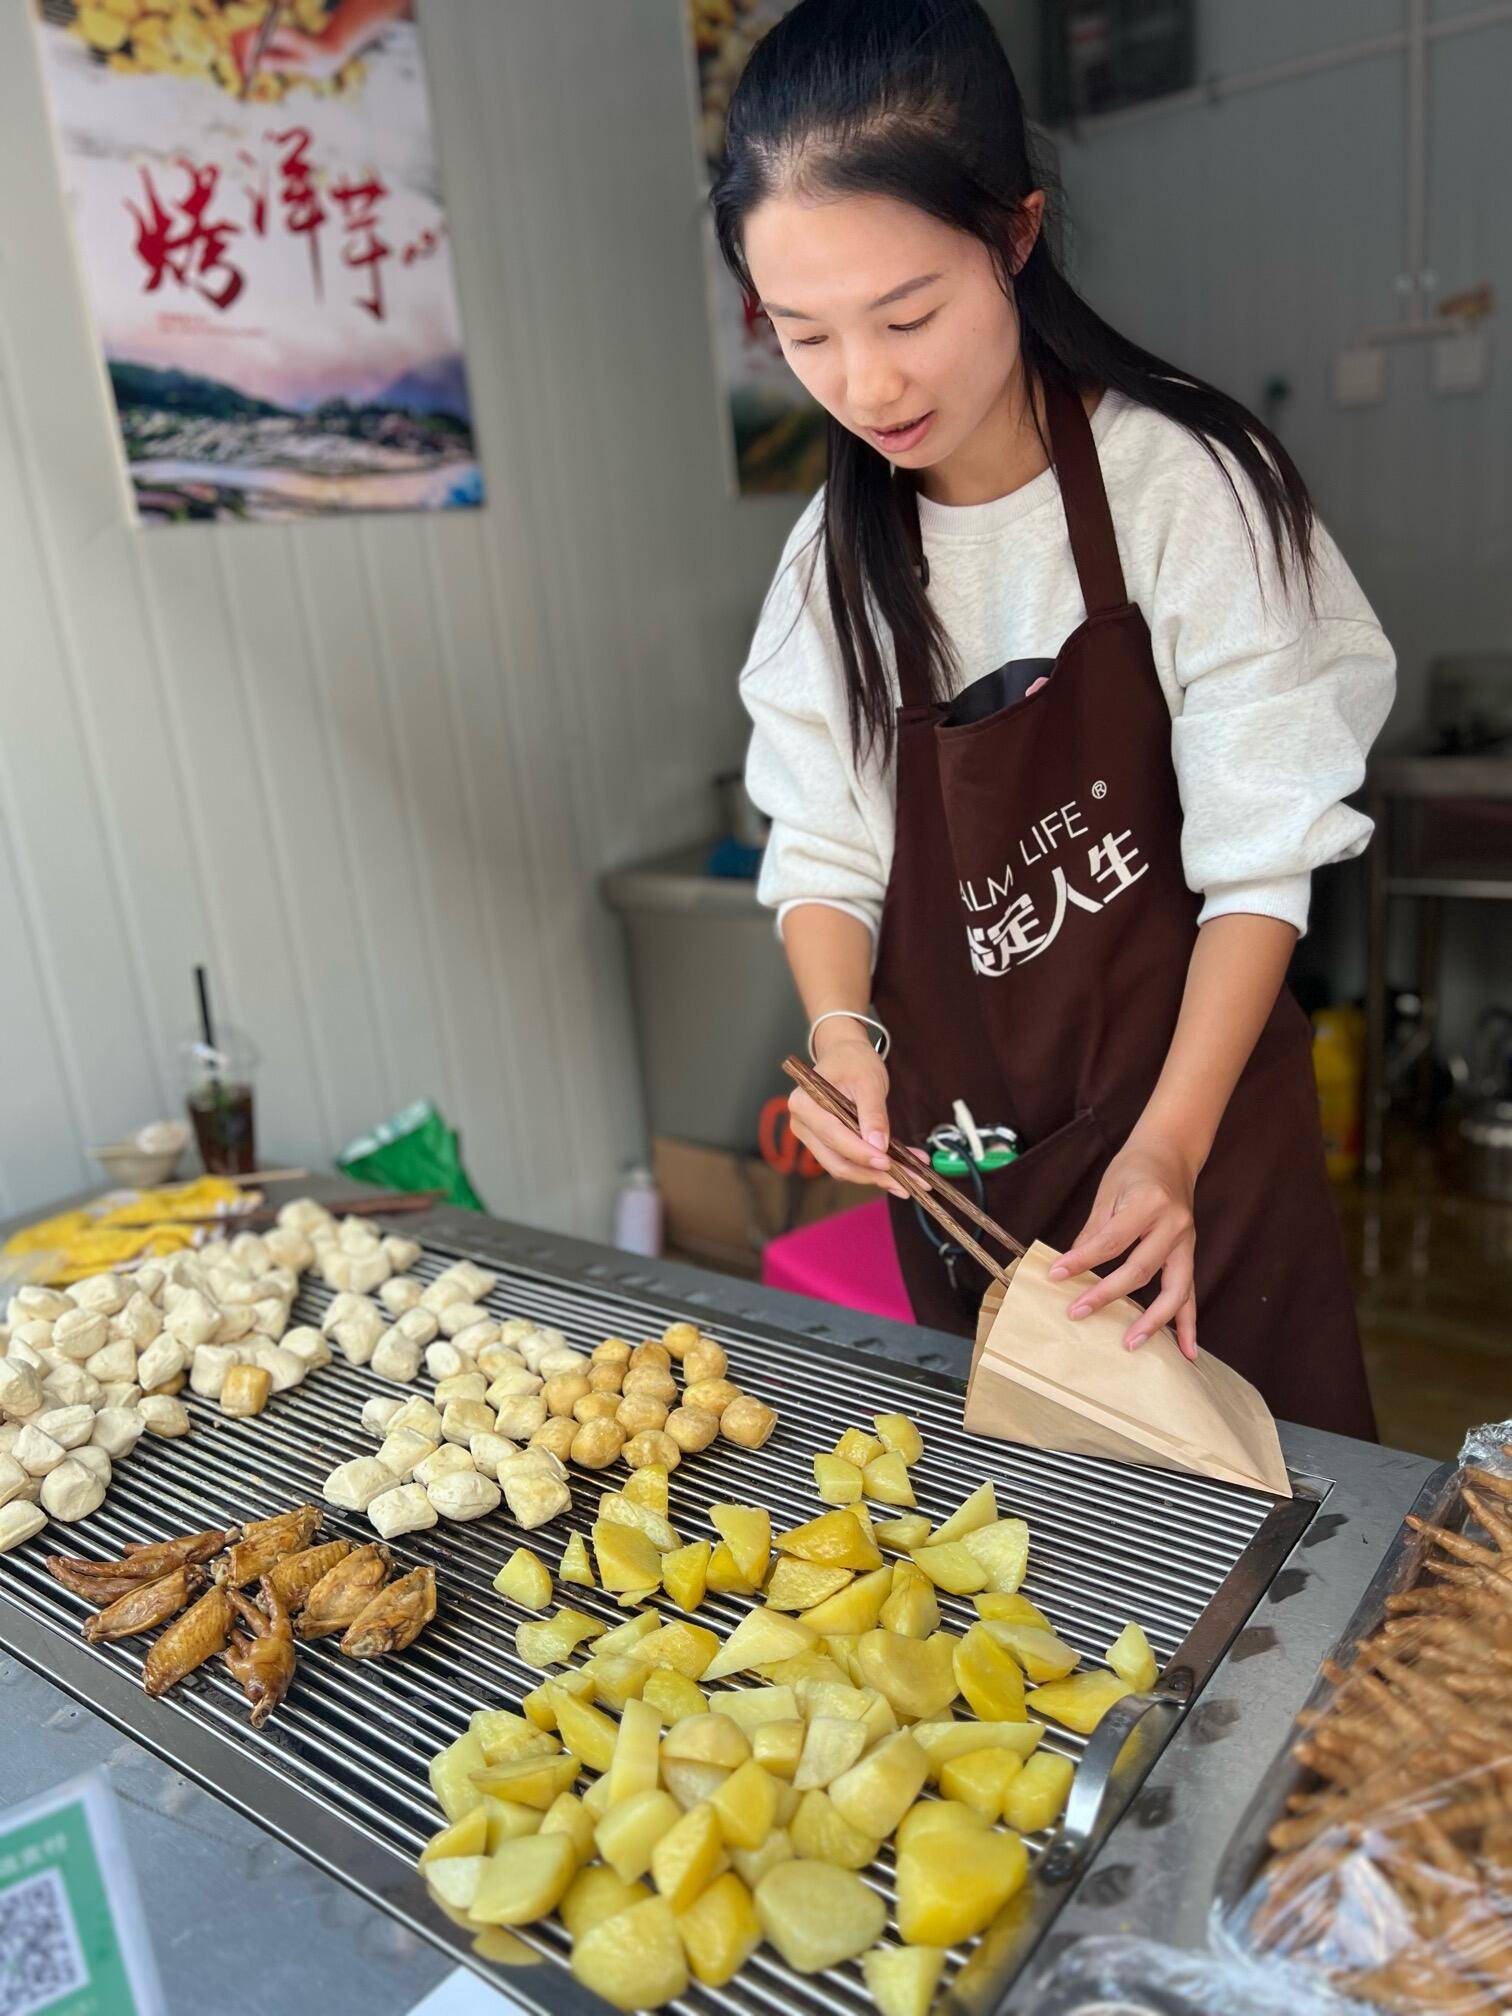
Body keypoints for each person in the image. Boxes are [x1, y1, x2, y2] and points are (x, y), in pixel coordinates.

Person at [717, 0, 1394, 1438]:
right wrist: (844, 1039)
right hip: (976, 1178)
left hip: (1203, 1148)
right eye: (806, 335)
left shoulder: (1186, 487)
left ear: (1016, 237)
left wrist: (1169, 1151)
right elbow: (826, 849)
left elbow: (1261, 855)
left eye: (908, 315)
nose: (868, 384)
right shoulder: (828, 571)